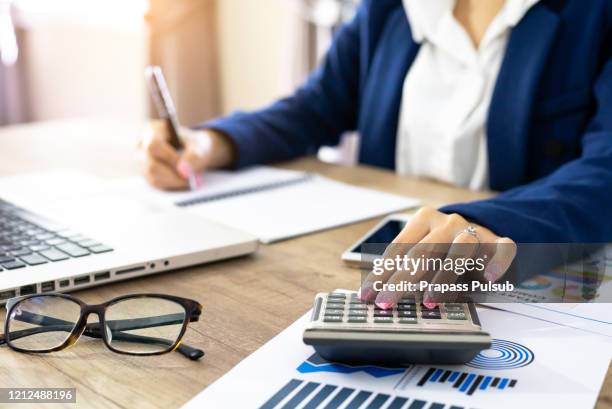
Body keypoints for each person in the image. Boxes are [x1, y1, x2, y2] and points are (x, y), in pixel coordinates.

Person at [140, 0, 612, 309]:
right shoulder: (389, 8)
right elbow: (315, 106)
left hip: (523, 284)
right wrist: (211, 142)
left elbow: (606, 166)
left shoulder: (595, 14)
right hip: (377, 263)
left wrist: (494, 223)